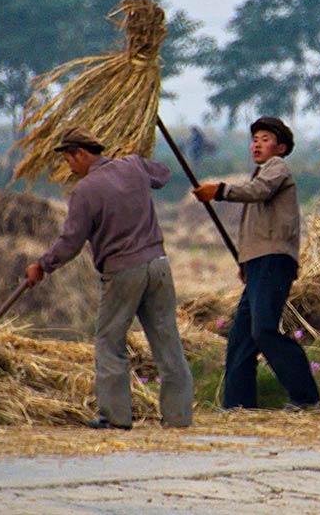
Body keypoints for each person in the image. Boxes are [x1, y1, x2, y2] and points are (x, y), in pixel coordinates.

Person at [24, 126, 193, 430]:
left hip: (124, 271)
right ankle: (179, 417)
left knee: (109, 342)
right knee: (167, 340)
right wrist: (134, 161)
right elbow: (164, 174)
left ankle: (115, 417)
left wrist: (43, 265)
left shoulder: (85, 191)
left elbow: (71, 242)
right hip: (158, 263)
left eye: (70, 160)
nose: (70, 167)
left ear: (83, 153)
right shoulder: (133, 166)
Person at [192, 116, 320, 410]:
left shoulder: (276, 169)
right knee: (241, 337)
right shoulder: (260, 174)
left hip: (274, 261)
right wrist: (245, 262)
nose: (257, 145)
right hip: (258, 263)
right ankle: (238, 405)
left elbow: (258, 192)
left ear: (281, 147)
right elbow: (255, 224)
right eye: (254, 140)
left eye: (265, 139)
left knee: (263, 330)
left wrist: (220, 190)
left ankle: (305, 396)